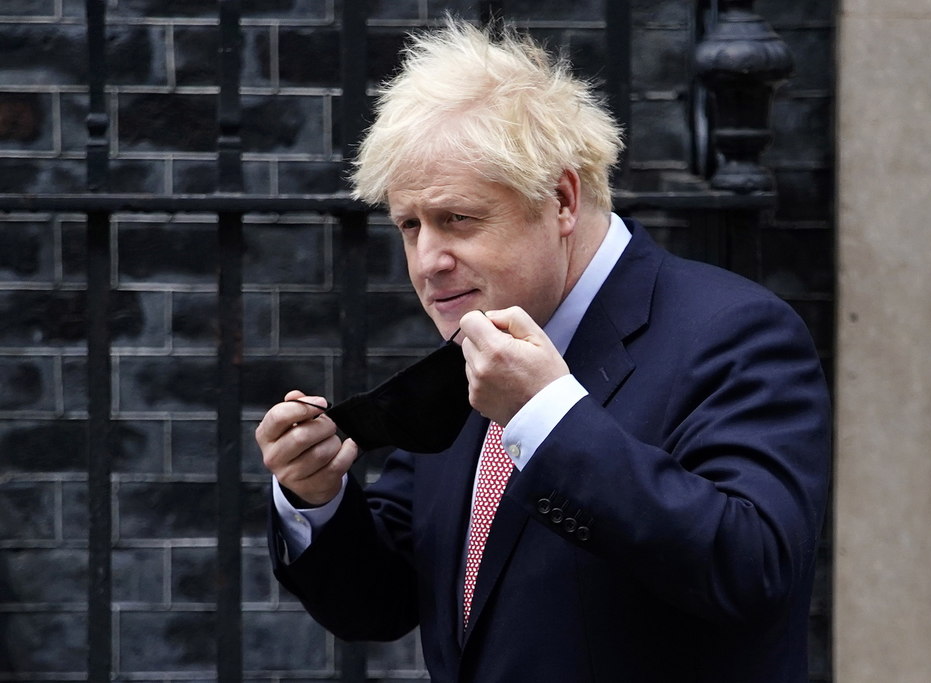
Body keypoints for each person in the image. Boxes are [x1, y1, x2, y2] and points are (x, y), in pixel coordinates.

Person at [256, 18, 830, 683]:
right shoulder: (482, 349)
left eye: (457, 218)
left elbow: (750, 567)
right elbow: (382, 602)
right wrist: (316, 497)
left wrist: (546, 417)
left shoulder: (735, 331)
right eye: (410, 226)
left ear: (561, 199)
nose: (427, 260)